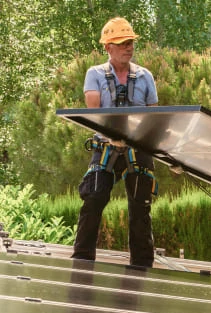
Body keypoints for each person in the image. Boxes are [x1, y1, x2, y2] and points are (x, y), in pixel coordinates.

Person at [71, 17, 159, 267]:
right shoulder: (95, 74)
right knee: (93, 199)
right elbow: (93, 114)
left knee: (140, 209)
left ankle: (142, 266)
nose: (128, 48)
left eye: (130, 42)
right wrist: (113, 138)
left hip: (137, 147)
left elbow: (155, 118)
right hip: (106, 146)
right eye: (121, 43)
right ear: (108, 47)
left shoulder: (145, 77)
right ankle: (81, 262)